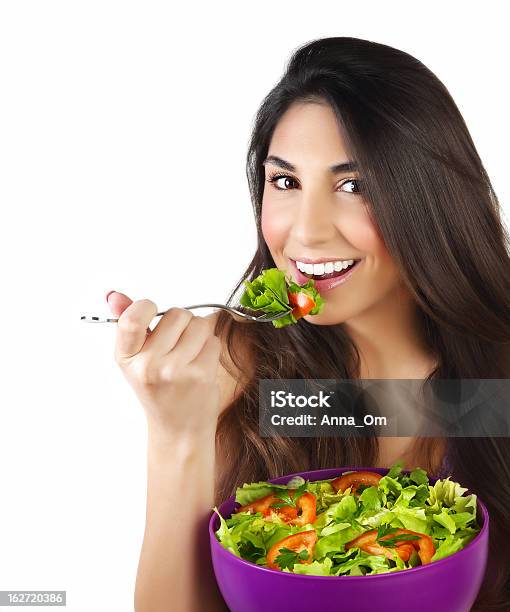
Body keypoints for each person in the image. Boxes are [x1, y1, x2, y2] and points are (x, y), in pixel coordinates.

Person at [106, 37, 510, 611]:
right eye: (285, 182)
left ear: (431, 199)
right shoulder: (232, 368)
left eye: (354, 186)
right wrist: (177, 435)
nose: (307, 233)